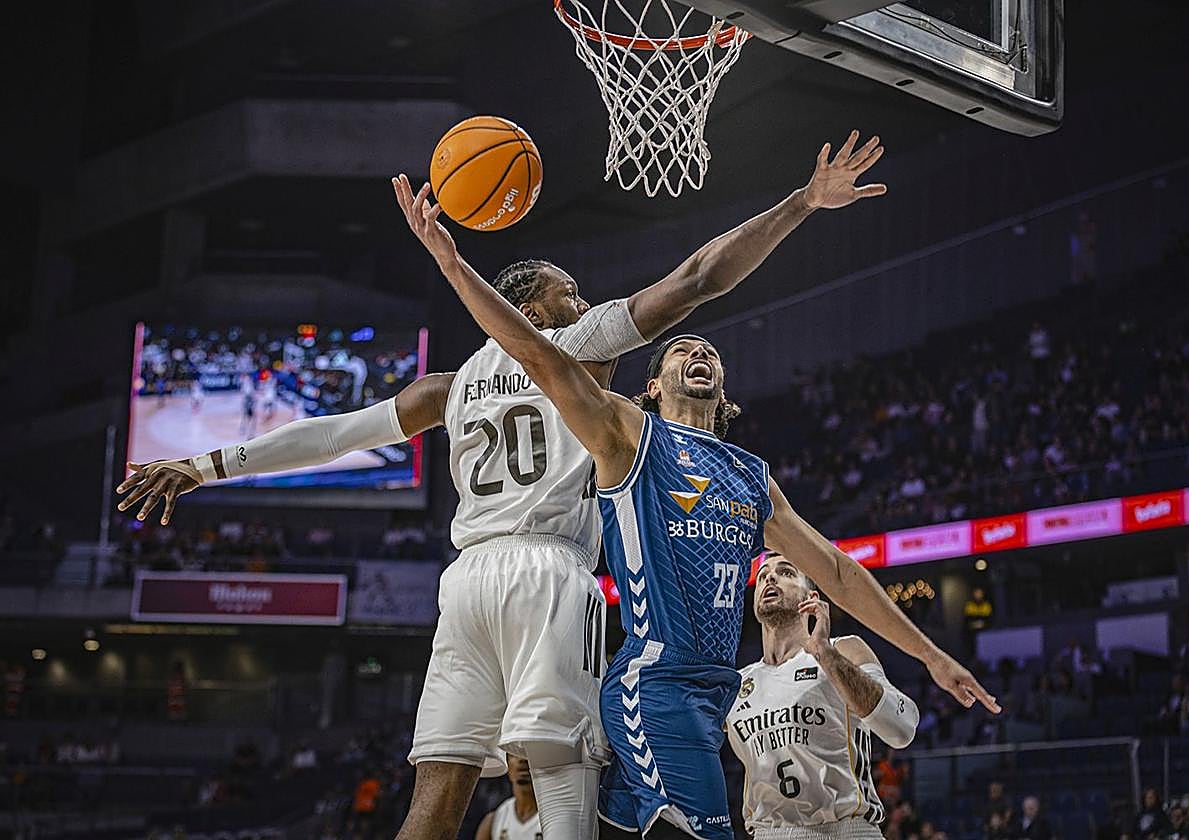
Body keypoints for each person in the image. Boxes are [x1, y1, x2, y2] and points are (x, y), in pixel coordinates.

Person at [116, 130, 889, 840]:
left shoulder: (447, 387)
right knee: (564, 785)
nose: (582, 303)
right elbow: (697, 279)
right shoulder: (577, 343)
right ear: (529, 308)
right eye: (569, 292)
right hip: (548, 573)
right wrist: (800, 203)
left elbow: (332, 435)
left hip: (466, 585)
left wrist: (205, 465)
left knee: (437, 792)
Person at [415, 153, 999, 839]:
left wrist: (930, 655)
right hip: (655, 686)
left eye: (710, 353)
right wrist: (454, 266)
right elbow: (545, 356)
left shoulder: (751, 475)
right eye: (681, 350)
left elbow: (839, 574)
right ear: (652, 385)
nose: (699, 353)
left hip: (715, 693)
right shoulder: (626, 433)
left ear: (724, 389)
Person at [726, 553, 919, 837]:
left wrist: (825, 654)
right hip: (769, 832)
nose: (770, 577)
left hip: (846, 830)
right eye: (763, 574)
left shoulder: (843, 650)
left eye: (786, 572)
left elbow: (902, 728)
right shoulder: (738, 682)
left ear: (811, 598)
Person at [476, 755, 542, 840]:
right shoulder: (493, 820)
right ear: (507, 767)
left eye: (527, 754)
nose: (522, 759)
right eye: (514, 754)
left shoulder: (553, 816)